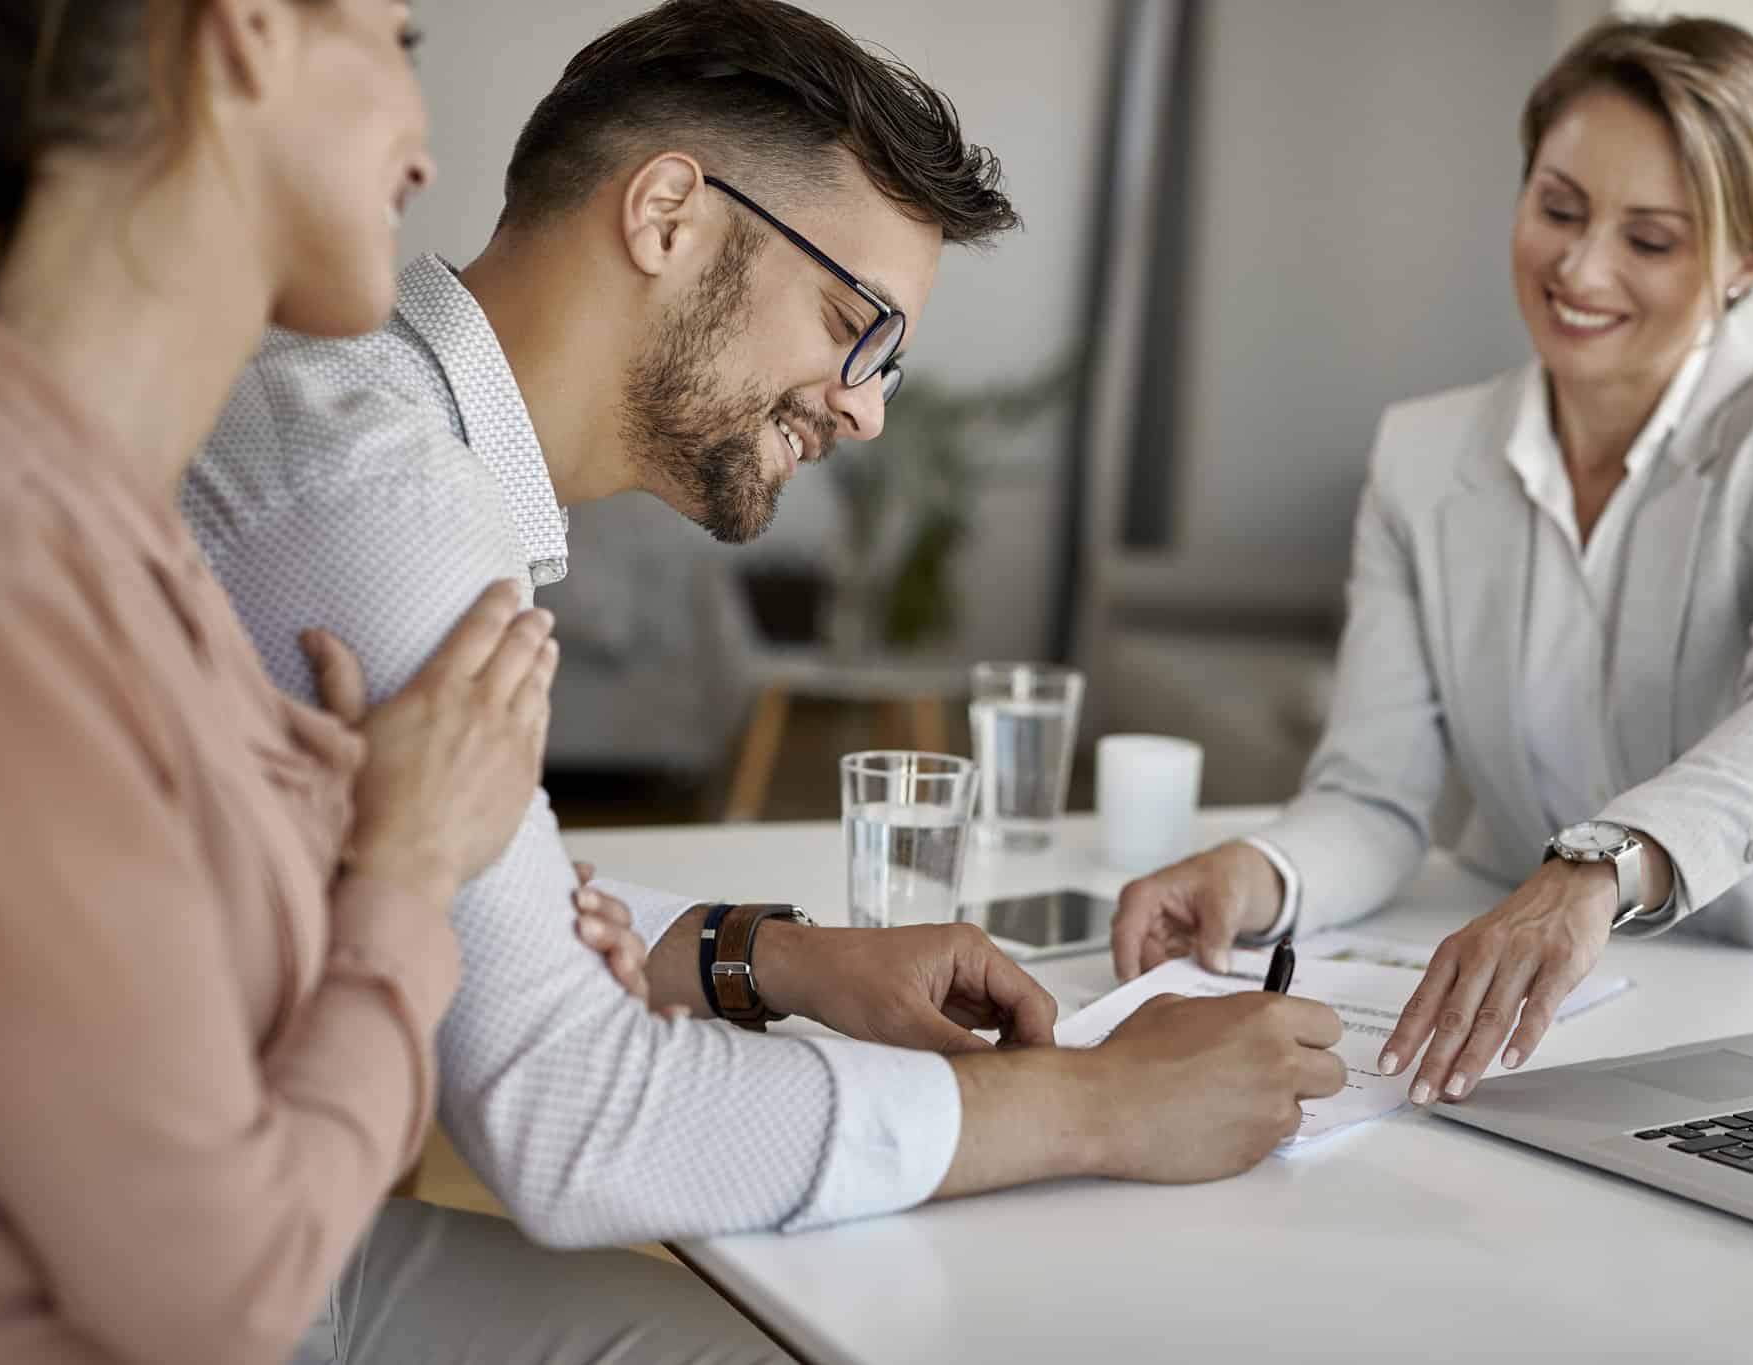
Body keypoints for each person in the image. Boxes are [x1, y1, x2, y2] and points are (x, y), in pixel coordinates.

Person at [182, 0, 1347, 1352]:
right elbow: (571, 1114)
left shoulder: (386, 439)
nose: (867, 410)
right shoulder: (385, 506)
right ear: (668, 216)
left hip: (275, 1231)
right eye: (860, 328)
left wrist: (772, 956)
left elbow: (448, 874)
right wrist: (1098, 1106)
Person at [1111, 14, 1753, 1112]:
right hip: (1558, 1039)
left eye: (1649, 240)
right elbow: (1376, 798)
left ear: (1747, 259)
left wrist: (1595, 864)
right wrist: (1258, 872)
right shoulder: (1421, 458)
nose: (1578, 268)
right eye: (1557, 209)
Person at [0, 0, 595, 1360]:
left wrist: (347, 831)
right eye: (399, 46)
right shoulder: (2, 563)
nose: (424, 149)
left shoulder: (115, 525)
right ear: (246, 27)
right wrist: (407, 879)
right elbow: (220, 1300)